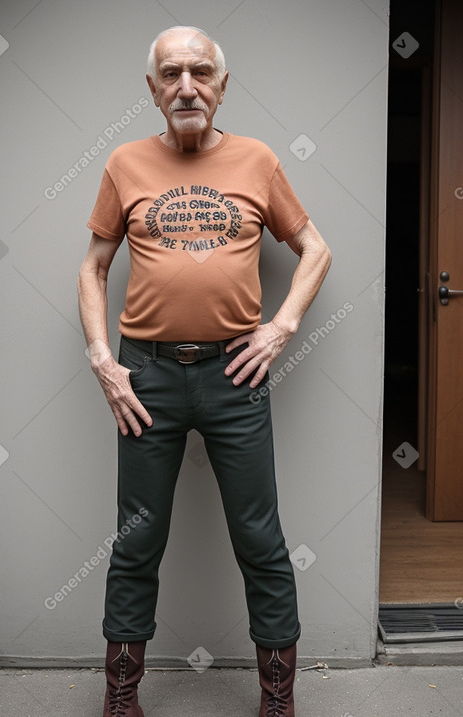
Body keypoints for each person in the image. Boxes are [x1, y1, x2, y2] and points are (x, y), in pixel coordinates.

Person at [77, 25, 331, 717]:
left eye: (199, 72)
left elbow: (314, 248)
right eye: (171, 73)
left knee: (260, 534)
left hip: (234, 377)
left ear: (221, 86)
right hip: (146, 377)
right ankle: (120, 696)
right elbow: (94, 266)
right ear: (154, 89)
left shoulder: (257, 160)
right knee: (136, 536)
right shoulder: (125, 163)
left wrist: (280, 327)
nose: (186, 86)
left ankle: (277, 698)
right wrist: (105, 361)